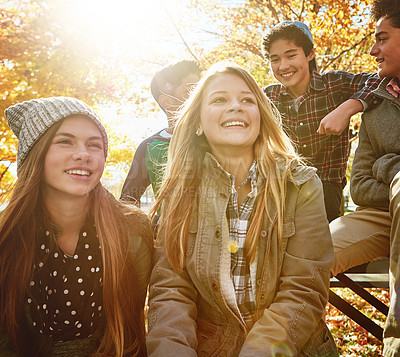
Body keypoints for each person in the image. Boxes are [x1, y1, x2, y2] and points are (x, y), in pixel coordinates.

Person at [146, 62, 337, 356]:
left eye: (247, 100)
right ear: (197, 122)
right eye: (219, 99)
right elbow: (171, 290)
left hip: (292, 348)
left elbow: (303, 289)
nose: (235, 106)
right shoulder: (180, 191)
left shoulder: (300, 184)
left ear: (260, 117)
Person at [0, 97, 153, 356]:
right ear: (35, 154)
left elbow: (131, 332)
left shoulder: (132, 229)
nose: (83, 154)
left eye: (94, 145)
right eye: (64, 141)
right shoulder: (7, 235)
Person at [329, 1, 400, 355]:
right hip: (381, 214)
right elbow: (359, 185)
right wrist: (394, 172)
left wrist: (388, 167)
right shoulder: (376, 105)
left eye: (382, 38)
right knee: (304, 255)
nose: (373, 49)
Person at [262, 21, 381, 222]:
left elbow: (382, 81)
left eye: (291, 55)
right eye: (275, 59)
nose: (283, 66)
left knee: (324, 249)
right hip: (280, 189)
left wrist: (347, 108)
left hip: (326, 192)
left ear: (310, 54)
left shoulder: (334, 84)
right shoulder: (268, 96)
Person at [120, 60, 202, 205]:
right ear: (167, 102)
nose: (200, 97)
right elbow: (127, 204)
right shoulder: (150, 147)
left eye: (201, 90)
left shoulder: (216, 138)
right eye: (190, 91)